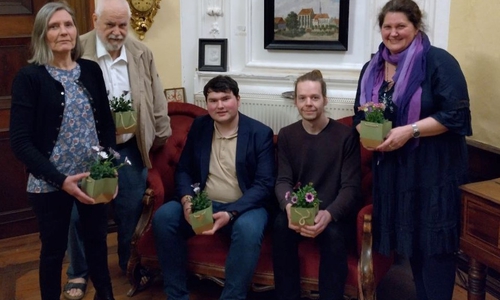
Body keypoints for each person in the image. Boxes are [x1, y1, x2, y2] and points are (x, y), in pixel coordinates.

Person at [353, 0, 472, 299]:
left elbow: (456, 115)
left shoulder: (438, 61)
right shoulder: (372, 68)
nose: (393, 33)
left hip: (434, 172)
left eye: (400, 26)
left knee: (434, 249)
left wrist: (410, 130)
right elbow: (359, 114)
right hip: (394, 174)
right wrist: (366, 134)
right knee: (412, 249)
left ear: (416, 27)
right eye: (387, 27)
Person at [64, 0, 172, 298]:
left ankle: (129, 263)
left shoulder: (141, 52)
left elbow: (155, 93)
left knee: (130, 209)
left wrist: (160, 134)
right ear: (95, 19)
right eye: (109, 24)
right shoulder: (76, 48)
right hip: (85, 151)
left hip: (128, 149)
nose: (117, 31)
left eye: (122, 25)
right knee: (78, 213)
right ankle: (78, 272)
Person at [9, 2, 116, 300]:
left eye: (68, 25)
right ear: (42, 35)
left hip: (92, 178)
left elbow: (106, 125)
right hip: (49, 182)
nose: (63, 32)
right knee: (53, 250)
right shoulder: (29, 78)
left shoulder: (92, 70)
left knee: (97, 242)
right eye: (54, 27)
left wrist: (107, 169)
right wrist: (60, 179)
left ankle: (105, 295)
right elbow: (20, 140)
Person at [152, 75, 275, 300]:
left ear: (238, 99)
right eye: (213, 100)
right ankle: (176, 295)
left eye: (225, 99)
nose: (219, 106)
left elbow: (264, 185)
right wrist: (187, 200)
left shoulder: (260, 133)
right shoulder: (199, 126)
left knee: (248, 229)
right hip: (203, 202)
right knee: (164, 217)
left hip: (246, 206)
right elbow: (184, 170)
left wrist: (230, 213)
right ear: (206, 103)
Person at [273, 70, 362, 300]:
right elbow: (283, 180)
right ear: (295, 101)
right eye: (302, 98)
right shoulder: (287, 135)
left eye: (314, 97)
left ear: (325, 99)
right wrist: (289, 206)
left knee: (333, 236)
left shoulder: (346, 136)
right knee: (280, 226)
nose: (308, 103)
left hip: (332, 213)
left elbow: (351, 187)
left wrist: (330, 214)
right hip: (298, 209)